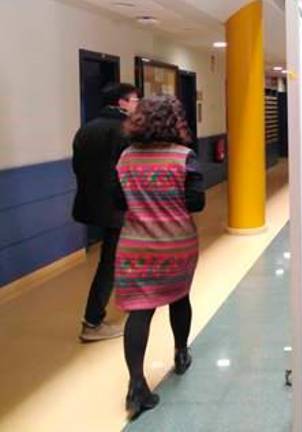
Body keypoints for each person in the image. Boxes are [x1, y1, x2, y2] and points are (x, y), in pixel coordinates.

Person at [115, 95, 205, 418]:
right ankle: (181, 354)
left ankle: (137, 385)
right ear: (175, 121)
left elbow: (117, 201)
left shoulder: (125, 158)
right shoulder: (184, 157)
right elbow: (196, 203)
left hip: (135, 245)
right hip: (176, 243)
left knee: (139, 312)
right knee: (179, 299)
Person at [72, 83, 139, 342]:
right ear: (121, 103)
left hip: (91, 203)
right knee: (110, 262)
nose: (137, 105)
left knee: (112, 259)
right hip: (118, 207)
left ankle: (121, 304)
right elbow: (130, 172)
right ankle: (93, 321)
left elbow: (77, 167)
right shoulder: (127, 130)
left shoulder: (86, 129)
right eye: (134, 100)